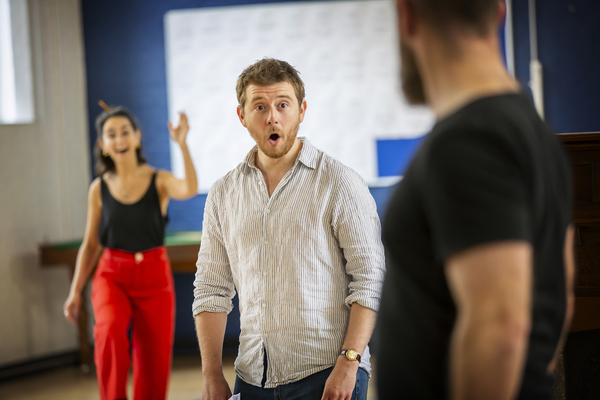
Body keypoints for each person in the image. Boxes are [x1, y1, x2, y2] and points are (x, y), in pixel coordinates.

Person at [376, 0, 574, 399]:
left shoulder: (468, 141)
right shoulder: (532, 131)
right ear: (500, 12)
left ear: (407, 15)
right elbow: (561, 296)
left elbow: (501, 326)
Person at [192, 58, 386, 400]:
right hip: (252, 377)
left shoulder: (339, 183)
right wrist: (211, 374)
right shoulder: (223, 194)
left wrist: (350, 361)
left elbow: (370, 279)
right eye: (260, 106)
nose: (272, 117)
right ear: (242, 116)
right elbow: (211, 288)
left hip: (329, 373)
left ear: (301, 110)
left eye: (283, 105)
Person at [63, 106, 198, 400]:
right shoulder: (98, 189)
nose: (119, 138)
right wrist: (75, 291)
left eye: (125, 131)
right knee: (108, 332)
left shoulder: (158, 180)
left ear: (137, 138)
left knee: (154, 358)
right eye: (111, 134)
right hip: (112, 275)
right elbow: (90, 245)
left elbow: (189, 188)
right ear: (103, 145)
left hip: (154, 276)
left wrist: (183, 144)